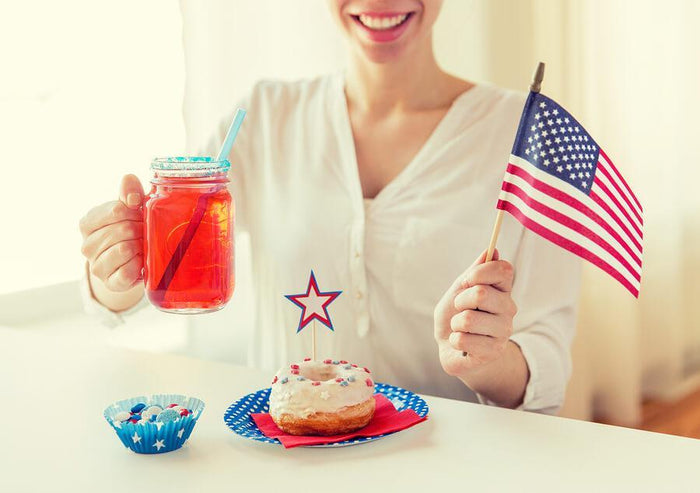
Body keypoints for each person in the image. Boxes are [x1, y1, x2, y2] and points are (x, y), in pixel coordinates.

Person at [79, 0, 580, 414]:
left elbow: (547, 370)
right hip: (288, 462)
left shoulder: (523, 136)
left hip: (446, 463)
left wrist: (486, 362)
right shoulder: (265, 117)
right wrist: (119, 268)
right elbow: (161, 269)